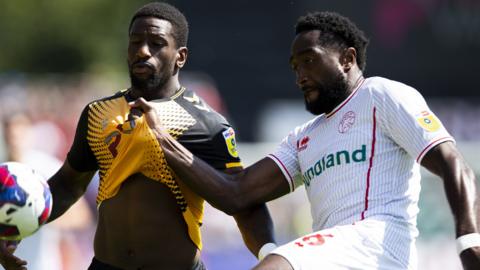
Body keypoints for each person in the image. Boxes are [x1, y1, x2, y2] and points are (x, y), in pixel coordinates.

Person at [131, 11, 480, 270]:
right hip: (336, 257)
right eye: (295, 66)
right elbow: (237, 193)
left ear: (347, 59)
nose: (300, 75)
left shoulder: (381, 95)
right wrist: (162, 141)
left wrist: (469, 241)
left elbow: (452, 162)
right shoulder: (305, 136)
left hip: (376, 245)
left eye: (309, 61)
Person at [0, 2, 274, 270]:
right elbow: (67, 186)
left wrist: (269, 254)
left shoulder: (207, 124)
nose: (143, 50)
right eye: (135, 41)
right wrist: (12, 234)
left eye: (156, 43)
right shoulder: (98, 114)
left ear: (180, 56)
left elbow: (242, 200)